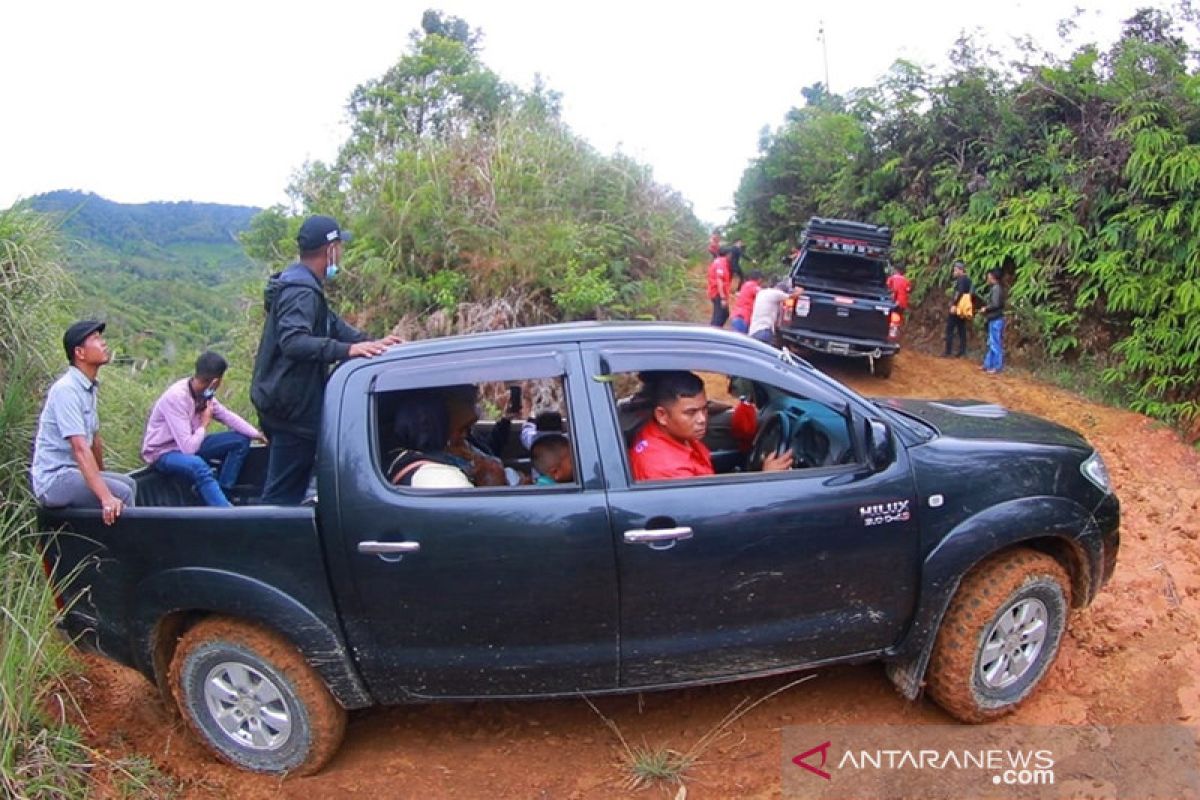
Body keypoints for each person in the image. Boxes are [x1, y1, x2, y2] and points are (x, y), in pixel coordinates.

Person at [251, 215, 402, 504]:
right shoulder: (300, 290)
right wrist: (346, 351)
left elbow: (331, 324)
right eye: (339, 247)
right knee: (282, 496)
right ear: (330, 249)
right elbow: (293, 341)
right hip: (292, 411)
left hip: (288, 405)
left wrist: (367, 342)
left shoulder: (302, 284)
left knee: (293, 487)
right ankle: (267, 545)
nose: (341, 253)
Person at [30, 321, 137, 525]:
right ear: (80, 353)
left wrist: (103, 476)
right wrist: (105, 496)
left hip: (73, 473)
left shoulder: (87, 387)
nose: (104, 343)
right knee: (120, 493)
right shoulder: (67, 390)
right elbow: (80, 448)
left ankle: (107, 541)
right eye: (96, 339)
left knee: (129, 483)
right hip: (55, 479)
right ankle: (122, 552)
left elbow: (94, 440)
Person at [141, 351, 265, 506]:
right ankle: (226, 513)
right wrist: (204, 424)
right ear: (215, 381)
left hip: (190, 443)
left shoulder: (205, 394)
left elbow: (226, 415)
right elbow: (188, 449)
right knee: (198, 465)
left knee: (240, 441)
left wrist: (257, 434)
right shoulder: (177, 398)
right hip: (164, 452)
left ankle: (222, 492)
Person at [629, 371, 791, 480]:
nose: (702, 419)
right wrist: (765, 480)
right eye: (691, 413)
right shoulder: (668, 470)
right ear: (662, 415)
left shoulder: (672, 434)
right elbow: (717, 514)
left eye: (704, 409)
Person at [387, 390, 472, 488]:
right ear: (441, 427)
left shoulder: (398, 458)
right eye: (460, 429)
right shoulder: (440, 476)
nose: (465, 435)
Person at [748, 280, 797, 344]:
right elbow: (792, 296)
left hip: (753, 331)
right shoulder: (776, 293)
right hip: (764, 331)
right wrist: (800, 291)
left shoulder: (762, 292)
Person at [943, 260, 973, 357]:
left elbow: (959, 292)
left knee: (950, 328)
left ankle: (948, 351)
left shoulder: (961, 279)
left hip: (958, 308)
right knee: (961, 329)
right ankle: (962, 351)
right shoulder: (968, 280)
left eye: (955, 270)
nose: (954, 272)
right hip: (963, 308)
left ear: (960, 270)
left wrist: (954, 304)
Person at [981, 268, 1007, 374]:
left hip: (996, 319)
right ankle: (988, 364)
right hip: (994, 319)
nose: (987, 278)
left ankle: (997, 366)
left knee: (995, 343)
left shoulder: (996, 289)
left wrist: (986, 308)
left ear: (993, 277)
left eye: (989, 276)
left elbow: (995, 304)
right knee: (991, 342)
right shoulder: (996, 288)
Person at [730, 269, 763, 333]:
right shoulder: (753, 286)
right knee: (740, 340)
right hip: (743, 317)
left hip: (738, 315)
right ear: (759, 279)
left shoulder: (745, 285)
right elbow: (763, 294)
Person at [707, 248, 732, 328]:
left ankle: (716, 331)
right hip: (718, 293)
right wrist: (723, 298)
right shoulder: (721, 263)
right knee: (718, 316)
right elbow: (719, 280)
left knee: (724, 314)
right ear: (728, 254)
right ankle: (713, 334)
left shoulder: (719, 261)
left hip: (717, 292)